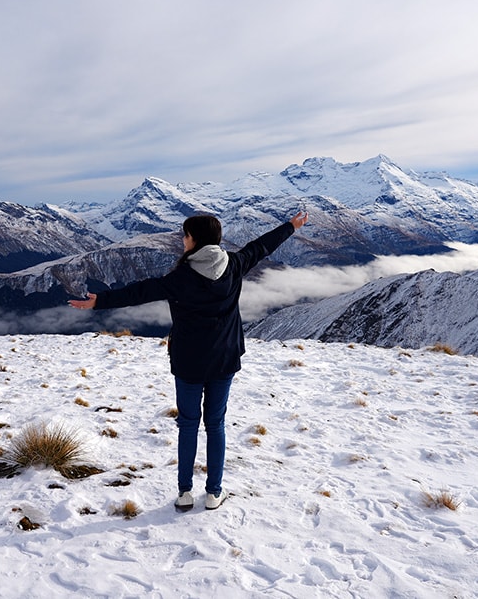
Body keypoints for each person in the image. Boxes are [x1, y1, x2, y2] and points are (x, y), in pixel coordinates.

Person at [69, 211, 309, 511]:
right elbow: (261, 247)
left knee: (188, 425)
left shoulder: (180, 277)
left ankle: (184, 493)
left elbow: (141, 291)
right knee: (216, 424)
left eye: (185, 235)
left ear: (195, 240)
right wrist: (291, 226)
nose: (183, 241)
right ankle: (213, 493)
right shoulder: (234, 265)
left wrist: (100, 301)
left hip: (188, 362)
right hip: (224, 359)